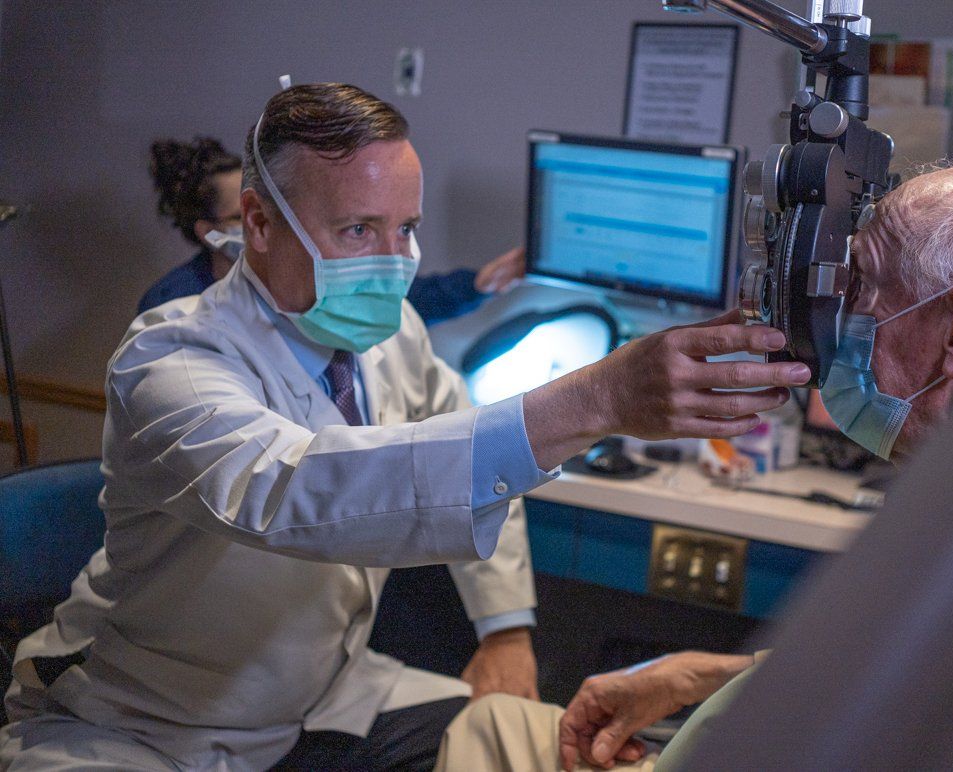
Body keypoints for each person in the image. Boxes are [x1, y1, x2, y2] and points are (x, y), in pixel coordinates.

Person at [0, 83, 808, 770]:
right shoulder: (168, 359)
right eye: (358, 231)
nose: (394, 262)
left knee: (563, 749)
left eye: (406, 229)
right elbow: (297, 488)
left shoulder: (390, 335)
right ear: (257, 221)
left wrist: (505, 628)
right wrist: (593, 401)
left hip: (332, 700)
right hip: (147, 730)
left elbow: (471, 438)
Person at [432, 157, 953, 772]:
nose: (828, 321)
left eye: (860, 285)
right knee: (495, 724)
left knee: (480, 732)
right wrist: (718, 674)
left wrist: (604, 398)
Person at [140, 136, 525, 322]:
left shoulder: (298, 279)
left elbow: (398, 300)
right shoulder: (174, 308)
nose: (270, 222)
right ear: (209, 232)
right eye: (247, 217)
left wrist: (479, 285)